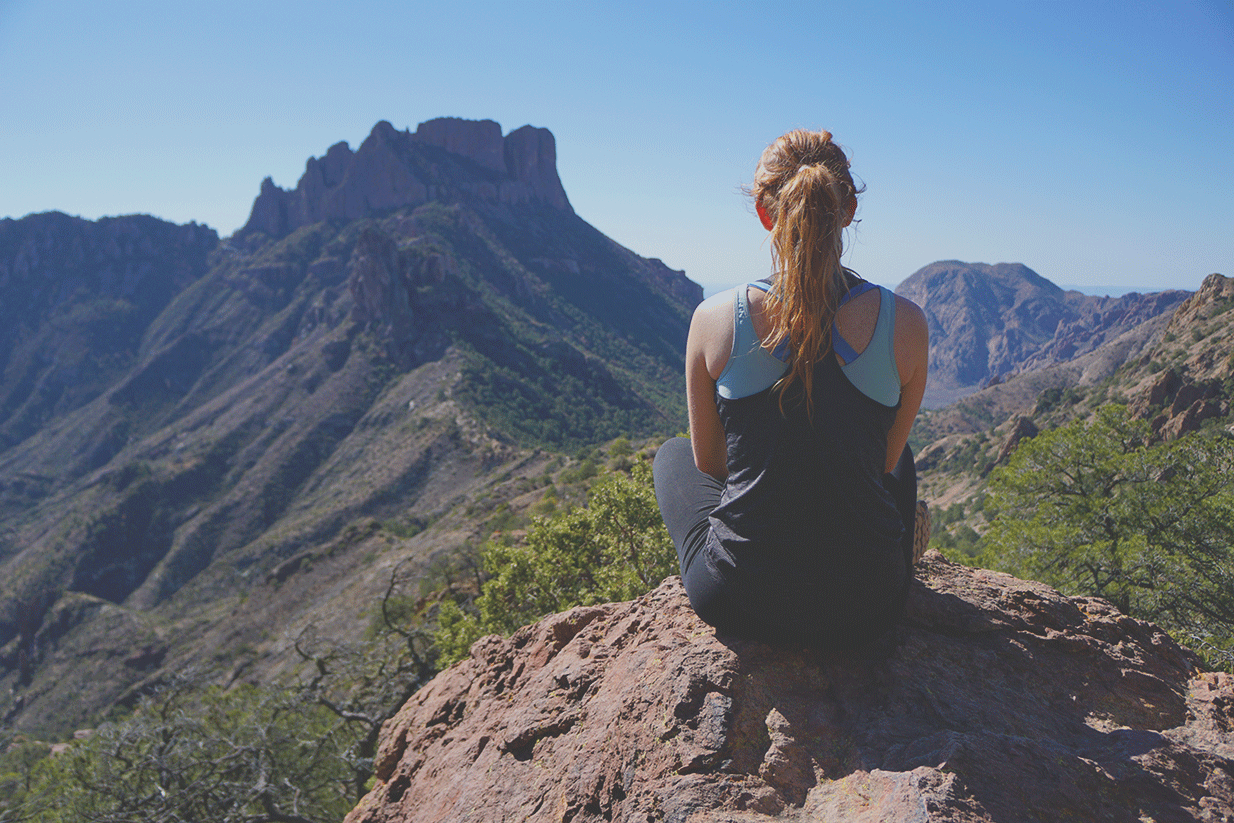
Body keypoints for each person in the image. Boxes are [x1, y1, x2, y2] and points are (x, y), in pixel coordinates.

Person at [653, 128, 929, 648]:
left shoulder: (715, 319)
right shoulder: (906, 323)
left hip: (740, 602)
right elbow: (883, 462)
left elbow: (711, 464)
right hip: (870, 606)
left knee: (672, 455)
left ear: (764, 211)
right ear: (847, 210)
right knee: (904, 457)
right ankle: (892, 551)